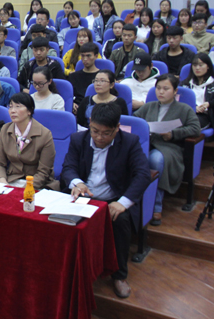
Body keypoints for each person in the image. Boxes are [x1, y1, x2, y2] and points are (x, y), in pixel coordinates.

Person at [62, 102, 151, 299]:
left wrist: (123, 202)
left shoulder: (129, 142)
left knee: (119, 221)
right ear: (89, 123)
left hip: (112, 200)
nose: (100, 137)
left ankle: (119, 275)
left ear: (117, 128)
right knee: (59, 220)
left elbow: (143, 174)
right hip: (84, 196)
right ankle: (67, 269)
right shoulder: (78, 139)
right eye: (95, 131)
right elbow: (68, 167)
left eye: (106, 133)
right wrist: (77, 182)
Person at [134, 74, 200, 226]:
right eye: (158, 88)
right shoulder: (149, 106)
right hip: (148, 144)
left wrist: (173, 134)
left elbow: (195, 128)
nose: (161, 92)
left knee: (155, 159)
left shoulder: (184, 109)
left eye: (166, 89)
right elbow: (136, 121)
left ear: (175, 91)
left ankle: (155, 205)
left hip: (169, 147)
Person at [0, 92, 58, 189]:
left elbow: (44, 172)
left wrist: (24, 190)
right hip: (12, 181)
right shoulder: (5, 130)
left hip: (38, 184)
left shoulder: (45, 134)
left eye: (18, 106)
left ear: (29, 111)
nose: (12, 111)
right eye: (10, 107)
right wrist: (3, 182)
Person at [180, 53, 214, 131]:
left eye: (200, 65)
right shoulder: (185, 84)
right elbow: (176, 100)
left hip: (203, 116)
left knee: (188, 125)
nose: (197, 68)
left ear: (208, 66)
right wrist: (193, 107)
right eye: (194, 65)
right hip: (185, 113)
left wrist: (210, 103)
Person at [68, 42, 101, 112]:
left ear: (96, 56)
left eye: (89, 56)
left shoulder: (102, 76)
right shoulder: (73, 76)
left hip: (97, 109)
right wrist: (71, 103)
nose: (85, 59)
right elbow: (68, 96)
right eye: (82, 56)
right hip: (77, 108)